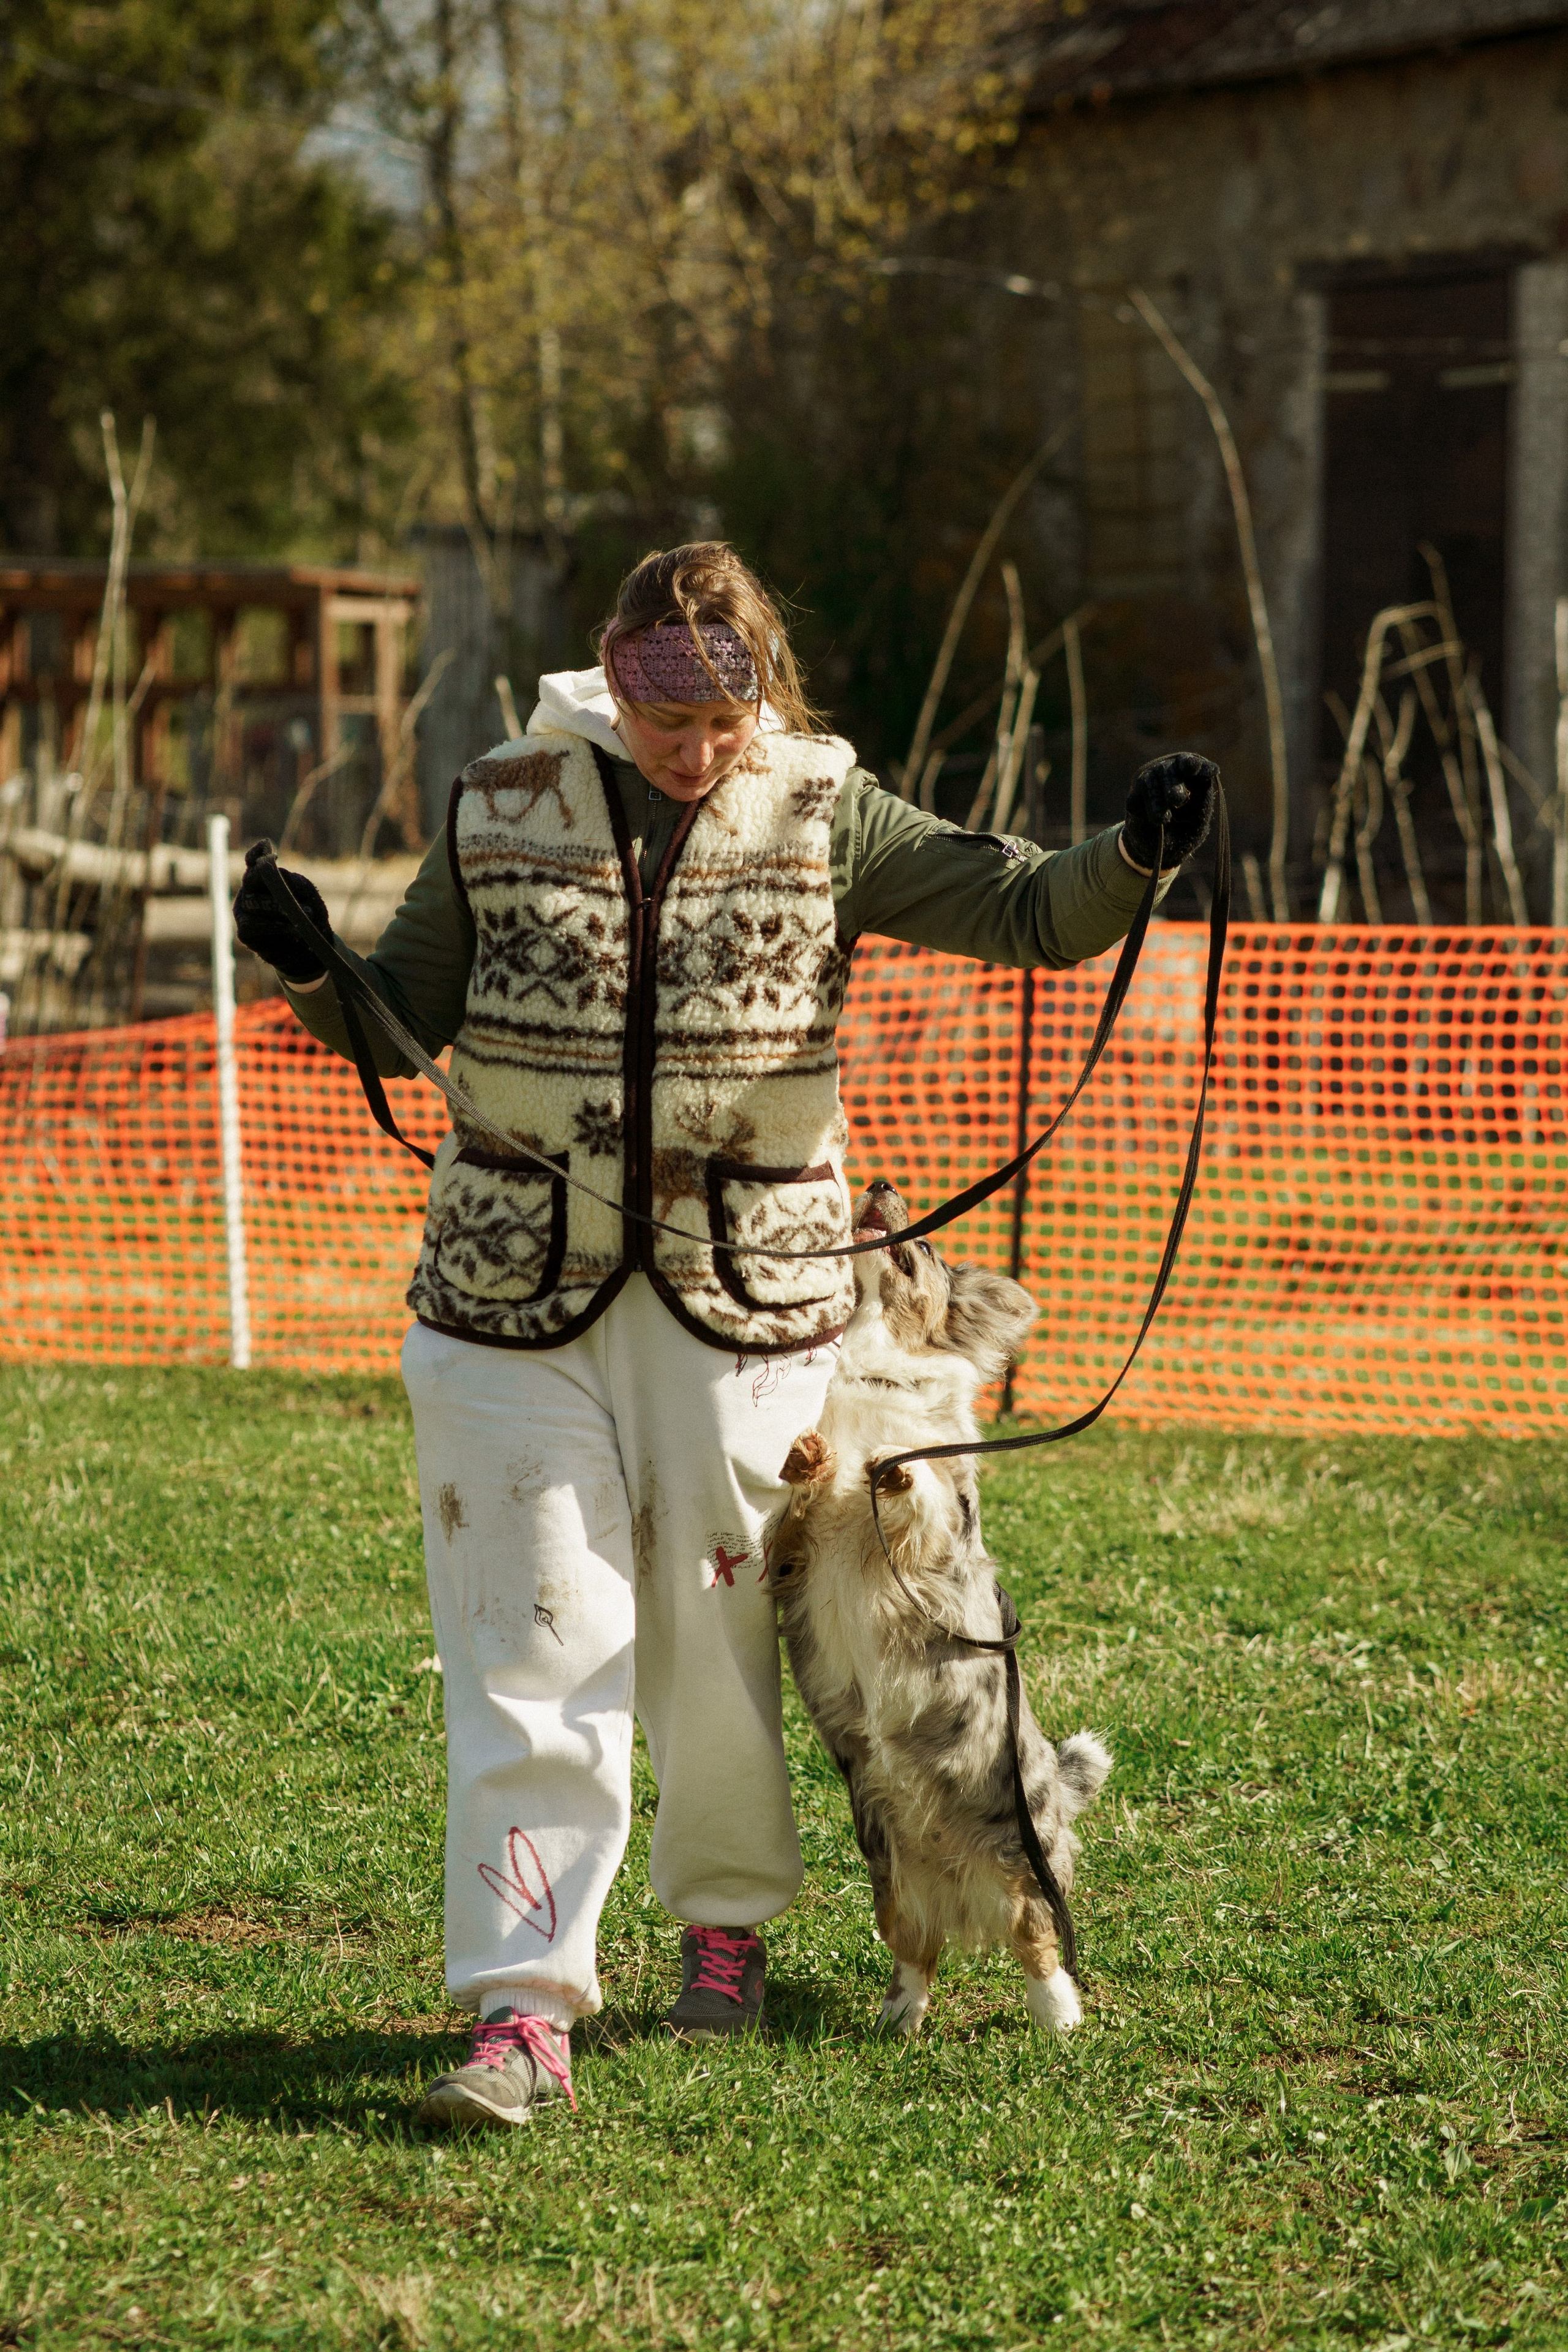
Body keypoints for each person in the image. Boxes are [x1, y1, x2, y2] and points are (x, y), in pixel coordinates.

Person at [233, 541, 1216, 2130]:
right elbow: (399, 1008)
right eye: (655, 711)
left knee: (714, 1634)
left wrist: (1136, 856)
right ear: (610, 677)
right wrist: (304, 958)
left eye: (721, 713)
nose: (691, 748)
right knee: (526, 1638)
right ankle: (521, 2010)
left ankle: (725, 1928)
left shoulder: (828, 808)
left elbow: (1031, 911)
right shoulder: (503, 805)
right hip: (511, 1294)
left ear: (765, 686)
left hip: (741, 1296)